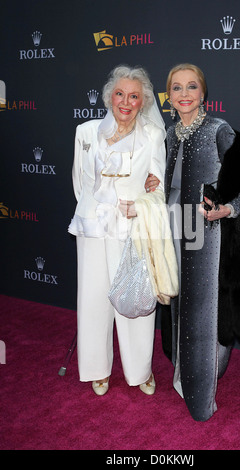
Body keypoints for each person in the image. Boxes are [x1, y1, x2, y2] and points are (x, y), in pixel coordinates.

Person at [158, 63, 240, 421]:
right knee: (180, 302)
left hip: (207, 229)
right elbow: (166, 184)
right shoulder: (169, 134)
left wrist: (226, 210)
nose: (185, 94)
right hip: (176, 225)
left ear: (203, 93)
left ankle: (203, 385)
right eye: (177, 88)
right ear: (169, 95)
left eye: (192, 87)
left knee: (205, 308)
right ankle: (183, 373)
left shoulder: (218, 130)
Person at [68, 65, 167, 396]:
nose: (126, 102)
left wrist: (140, 203)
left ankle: (140, 371)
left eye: (134, 96)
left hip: (133, 230)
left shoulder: (153, 136)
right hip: (93, 228)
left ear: (144, 102)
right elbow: (80, 183)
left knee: (134, 300)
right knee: (93, 299)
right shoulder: (86, 131)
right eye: (120, 94)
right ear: (110, 95)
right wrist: (98, 210)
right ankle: (97, 368)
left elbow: (159, 186)